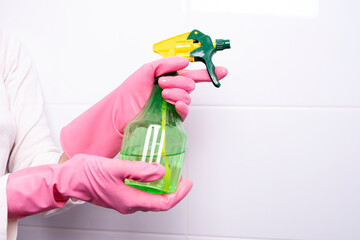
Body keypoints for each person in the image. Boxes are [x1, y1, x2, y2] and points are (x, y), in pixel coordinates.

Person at [0, 32, 228, 239]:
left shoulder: (8, 49)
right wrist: (49, 183)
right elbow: (39, 183)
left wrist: (110, 121)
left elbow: (33, 171)